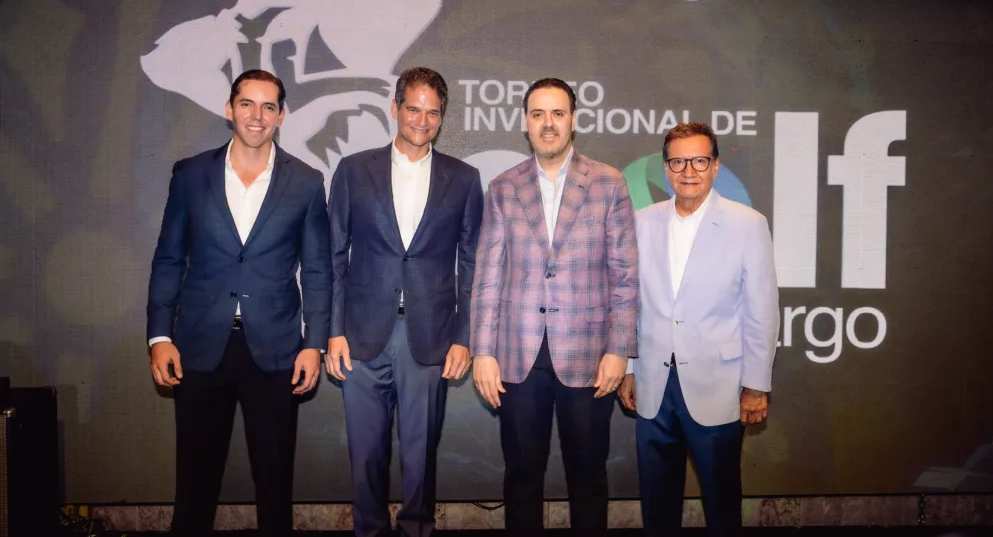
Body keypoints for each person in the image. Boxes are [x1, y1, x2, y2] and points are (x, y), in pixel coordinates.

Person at [147, 68, 331, 536]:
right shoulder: (190, 175)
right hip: (199, 348)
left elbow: (317, 270)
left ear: (282, 116)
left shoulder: (307, 181)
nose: (257, 115)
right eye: (247, 103)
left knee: (274, 485)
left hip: (275, 351)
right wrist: (160, 336)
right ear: (229, 109)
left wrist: (315, 344)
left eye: (269, 106)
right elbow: (169, 259)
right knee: (194, 484)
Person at [471, 78, 639, 537]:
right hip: (517, 357)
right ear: (525, 123)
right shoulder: (504, 188)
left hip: (589, 356)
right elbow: (487, 274)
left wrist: (619, 350)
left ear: (573, 121)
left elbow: (625, 275)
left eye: (558, 114)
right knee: (522, 475)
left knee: (588, 475)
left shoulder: (608, 182)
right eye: (539, 114)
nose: (549, 124)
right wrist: (482, 352)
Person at [325, 66, 483, 537]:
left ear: (441, 118)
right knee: (366, 454)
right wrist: (333, 331)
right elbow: (333, 256)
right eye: (412, 108)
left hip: (430, 337)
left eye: (432, 112)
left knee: (421, 453)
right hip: (361, 337)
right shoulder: (354, 170)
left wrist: (465, 337)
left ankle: (417, 528)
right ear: (394, 109)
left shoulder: (465, 177)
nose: (421, 119)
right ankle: (369, 530)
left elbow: (472, 264)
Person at [618, 122, 780, 536]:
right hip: (654, 384)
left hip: (718, 383)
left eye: (699, 160)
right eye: (677, 161)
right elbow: (631, 303)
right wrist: (631, 369)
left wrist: (756, 385)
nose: (688, 170)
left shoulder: (748, 224)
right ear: (666, 167)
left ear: (715, 166)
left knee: (721, 499)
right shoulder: (641, 222)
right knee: (657, 501)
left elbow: (761, 309)